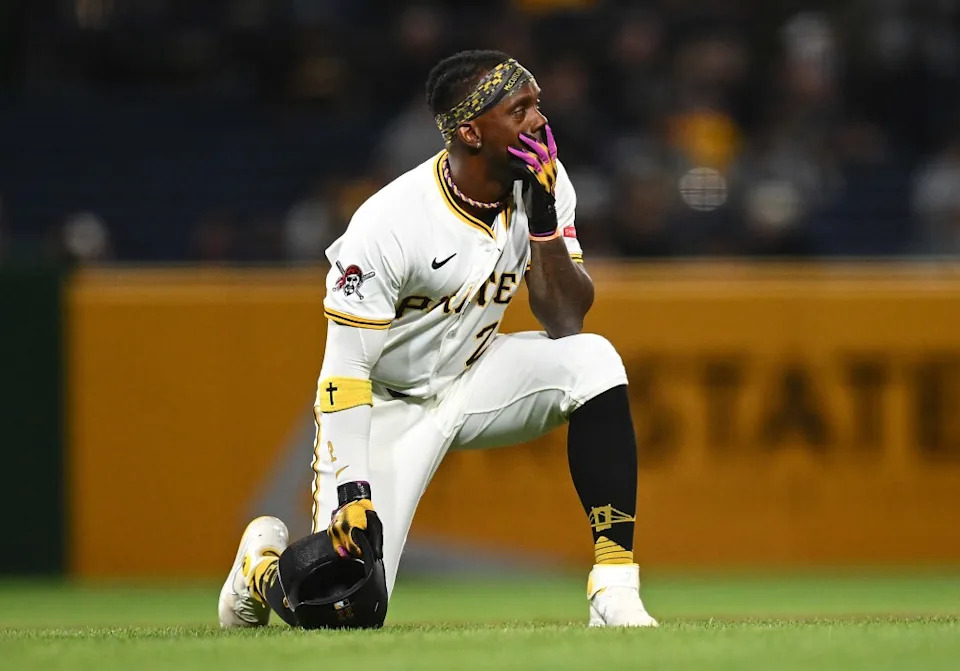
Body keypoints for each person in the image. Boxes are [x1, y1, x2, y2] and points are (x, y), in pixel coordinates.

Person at [219, 49, 658, 629]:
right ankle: (261, 570)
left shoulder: (544, 185)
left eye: (538, 105)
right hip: (385, 404)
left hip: (476, 375)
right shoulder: (389, 222)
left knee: (594, 359)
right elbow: (344, 372)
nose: (539, 122)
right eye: (520, 109)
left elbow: (565, 320)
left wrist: (546, 222)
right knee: (347, 611)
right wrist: (353, 491)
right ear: (472, 132)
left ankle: (614, 589)